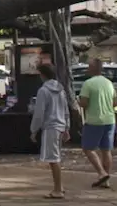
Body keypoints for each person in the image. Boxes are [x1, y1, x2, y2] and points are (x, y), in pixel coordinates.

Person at [30, 63, 69, 200]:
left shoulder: (43, 91)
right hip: (60, 126)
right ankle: (59, 187)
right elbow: (65, 110)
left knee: (53, 159)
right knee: (55, 157)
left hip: (50, 127)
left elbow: (39, 113)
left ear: (43, 75)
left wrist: (34, 129)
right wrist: (67, 127)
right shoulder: (61, 89)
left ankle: (58, 189)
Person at [78, 58, 117, 188]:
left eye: (89, 66)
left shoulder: (88, 83)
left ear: (93, 68)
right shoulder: (109, 83)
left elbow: (84, 103)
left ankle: (101, 172)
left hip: (94, 120)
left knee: (88, 148)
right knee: (106, 150)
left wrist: (78, 101)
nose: (87, 68)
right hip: (110, 119)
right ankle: (106, 180)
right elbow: (114, 102)